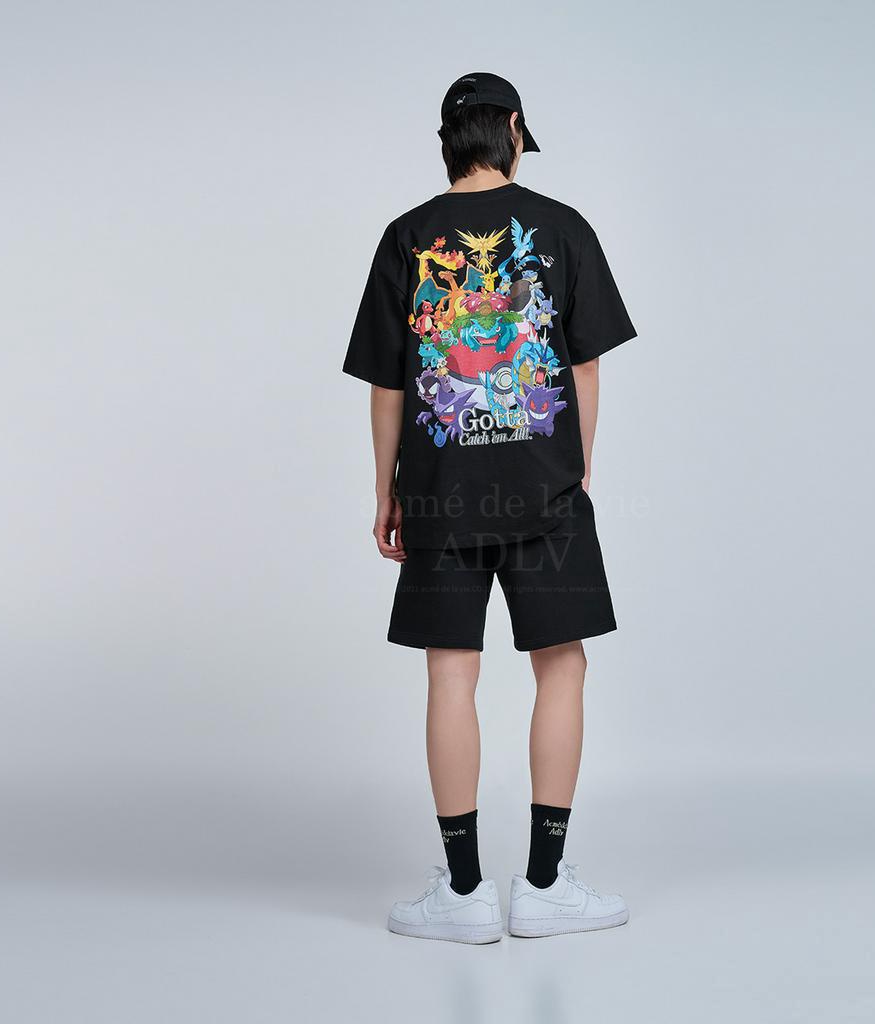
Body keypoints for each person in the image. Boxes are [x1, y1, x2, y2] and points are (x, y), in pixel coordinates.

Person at [343, 73, 636, 943]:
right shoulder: (564, 227)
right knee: (562, 665)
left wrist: (388, 487)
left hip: (439, 491)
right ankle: (544, 884)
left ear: (448, 138)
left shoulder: (406, 236)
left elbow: (388, 382)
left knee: (450, 673)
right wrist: (577, 468)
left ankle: (464, 894)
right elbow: (584, 364)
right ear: (512, 128)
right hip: (546, 488)